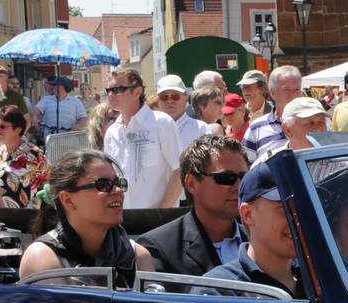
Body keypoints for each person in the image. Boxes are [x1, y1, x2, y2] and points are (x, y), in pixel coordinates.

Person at [20, 150, 153, 280]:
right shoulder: (42, 257)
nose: (118, 190)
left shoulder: (138, 256)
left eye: (118, 183)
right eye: (103, 184)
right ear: (68, 200)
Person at [139, 134, 248, 278]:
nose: (238, 186)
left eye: (244, 177)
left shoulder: (262, 242)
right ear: (192, 183)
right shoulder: (157, 248)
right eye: (226, 178)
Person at [201, 158, 301, 297]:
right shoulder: (218, 291)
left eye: (302, 207)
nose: (297, 219)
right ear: (248, 214)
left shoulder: (322, 279)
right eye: (284, 209)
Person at [102, 70, 184, 209]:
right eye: (108, 90)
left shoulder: (161, 123)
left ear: (137, 92)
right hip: (123, 215)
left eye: (117, 89)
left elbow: (180, 170)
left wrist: (161, 213)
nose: (111, 95)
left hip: (157, 216)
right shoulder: (112, 132)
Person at [241, 67, 306, 160]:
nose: (293, 95)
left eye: (297, 89)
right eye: (287, 90)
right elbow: (247, 167)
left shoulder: (318, 124)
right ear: (272, 92)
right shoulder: (256, 128)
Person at [0, 107, 48, 208]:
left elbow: (48, 180)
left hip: (26, 212)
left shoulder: (33, 153)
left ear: (17, 129)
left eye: (2, 127)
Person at [253, 97, 329, 162]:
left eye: (322, 122)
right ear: (287, 130)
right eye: (309, 123)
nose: (318, 129)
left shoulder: (335, 161)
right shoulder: (268, 162)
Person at [153, 76, 207, 149]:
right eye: (164, 97)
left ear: (186, 99)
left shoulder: (200, 129)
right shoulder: (149, 129)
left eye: (175, 96)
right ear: (158, 100)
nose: (170, 101)